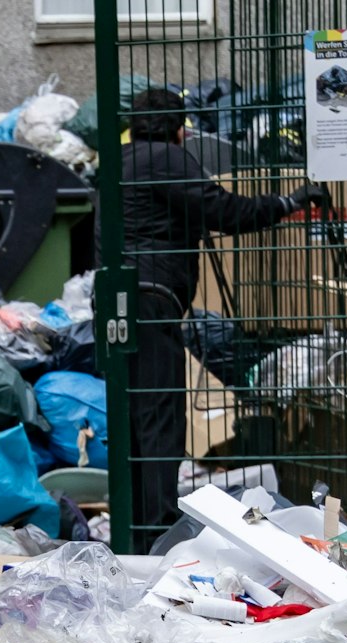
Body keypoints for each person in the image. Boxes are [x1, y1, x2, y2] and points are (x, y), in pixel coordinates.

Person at [112, 86, 330, 533]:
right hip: (152, 299)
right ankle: (157, 529)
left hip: (115, 302)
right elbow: (222, 210)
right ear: (177, 129)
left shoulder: (116, 163)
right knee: (161, 418)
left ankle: (132, 522)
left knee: (132, 415)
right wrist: (287, 203)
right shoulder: (166, 158)